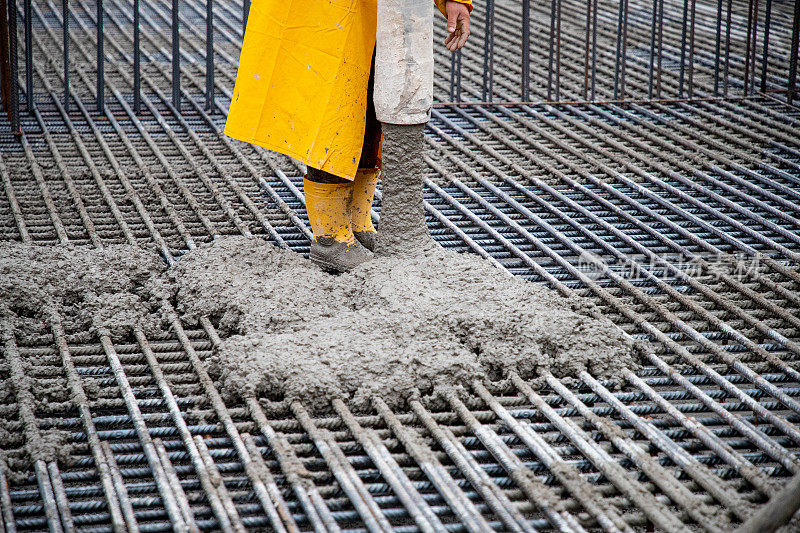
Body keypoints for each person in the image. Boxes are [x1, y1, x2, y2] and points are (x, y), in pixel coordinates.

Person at [225, 0, 472, 271]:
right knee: (334, 105)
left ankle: (357, 223)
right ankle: (330, 239)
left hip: (382, 9)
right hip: (324, 11)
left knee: (369, 102)